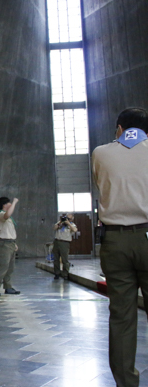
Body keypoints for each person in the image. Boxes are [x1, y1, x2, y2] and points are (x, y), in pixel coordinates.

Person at [92, 108, 148, 387]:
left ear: (119, 128)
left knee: (122, 317)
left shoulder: (101, 153)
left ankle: (126, 383)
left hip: (114, 240)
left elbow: (101, 185)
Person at [0, 197, 20, 297]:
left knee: (10, 267)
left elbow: (8, 231)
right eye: (9, 203)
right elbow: (7, 215)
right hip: (4, 244)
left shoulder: (8, 217)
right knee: (3, 266)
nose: (10, 205)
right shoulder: (0, 215)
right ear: (4, 205)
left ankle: (8, 287)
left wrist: (14, 243)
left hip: (10, 243)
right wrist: (15, 202)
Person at [52, 213, 78, 280]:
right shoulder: (60, 223)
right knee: (56, 259)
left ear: (72, 219)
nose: (67, 219)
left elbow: (75, 230)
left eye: (69, 218)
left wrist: (68, 223)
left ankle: (65, 274)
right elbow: (54, 228)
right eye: (66, 218)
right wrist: (60, 222)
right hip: (57, 241)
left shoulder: (72, 225)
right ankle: (57, 273)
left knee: (64, 259)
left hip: (65, 242)